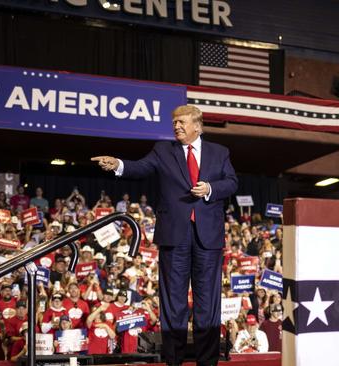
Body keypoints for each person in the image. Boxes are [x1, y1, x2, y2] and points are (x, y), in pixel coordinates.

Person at [92, 104, 238, 366]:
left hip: (208, 238)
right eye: (174, 123)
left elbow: (232, 182)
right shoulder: (163, 150)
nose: (177, 126)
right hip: (174, 236)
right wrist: (118, 165)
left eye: (182, 122)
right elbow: (140, 168)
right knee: (174, 304)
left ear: (198, 126)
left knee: (207, 304)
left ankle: (207, 362)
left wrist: (209, 188)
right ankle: (174, 361)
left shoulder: (220, 152)